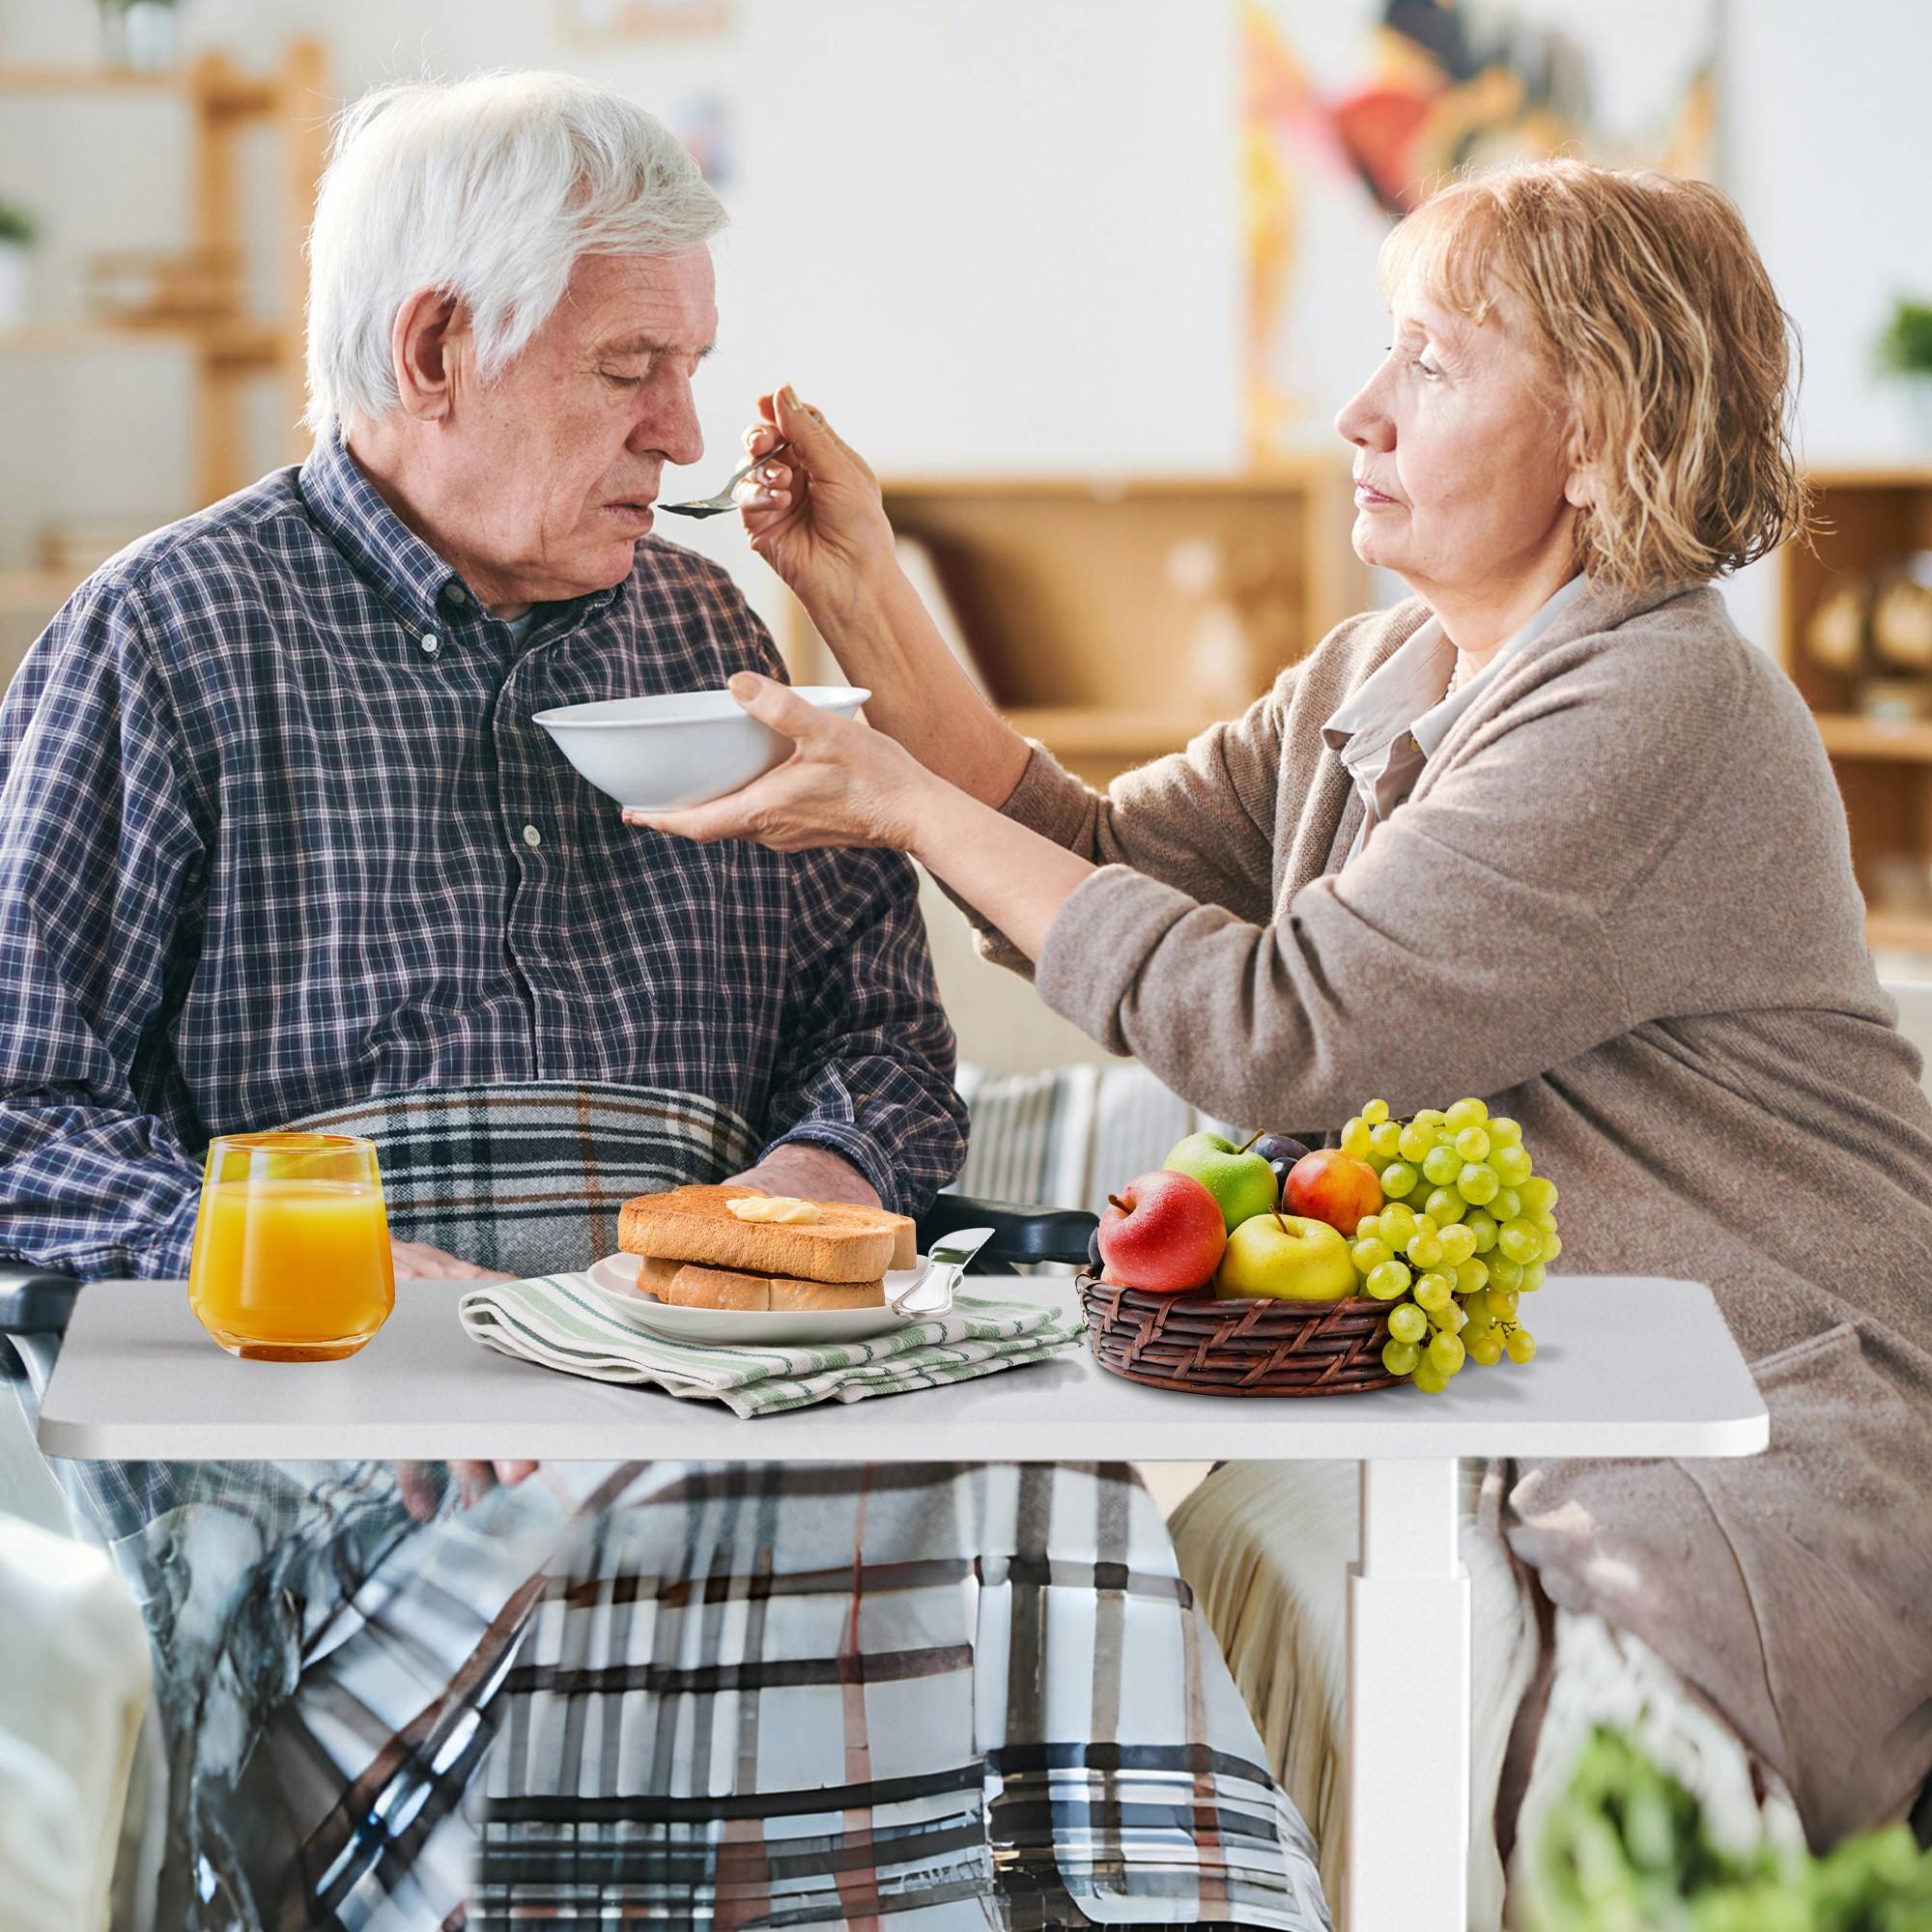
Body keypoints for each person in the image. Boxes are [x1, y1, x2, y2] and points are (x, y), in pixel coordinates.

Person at [0, 74, 1326, 1930]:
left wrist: (800, 1208)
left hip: (723, 1369)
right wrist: (359, 1276)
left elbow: (880, 1037)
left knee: (1062, 1497)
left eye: (691, 368)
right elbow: (19, 1122)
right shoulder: (159, 641)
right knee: (698, 1538)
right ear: (439, 343)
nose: (685, 429)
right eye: (632, 367)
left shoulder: (710, 632)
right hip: (358, 1435)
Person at [635, 158, 1932, 1917]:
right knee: (1240, 1550)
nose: (1359, 410)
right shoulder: (1378, 675)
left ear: (1598, 432)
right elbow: (1088, 857)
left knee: (1332, 1600)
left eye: (1432, 363)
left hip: (1757, 1428)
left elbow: (1289, 1035)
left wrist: (901, 810)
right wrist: (859, 586)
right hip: (1546, 1400)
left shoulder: (1662, 702)